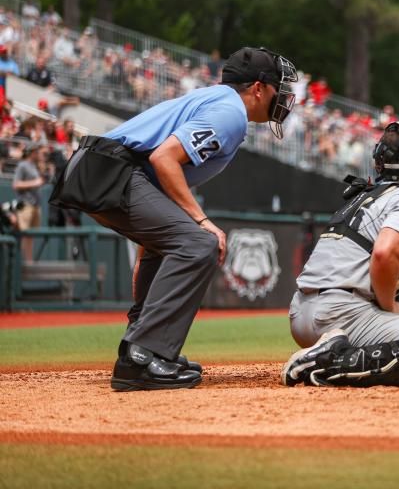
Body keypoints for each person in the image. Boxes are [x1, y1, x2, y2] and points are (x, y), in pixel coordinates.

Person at [50, 46, 299, 391]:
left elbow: (157, 164)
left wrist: (154, 240)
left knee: (170, 246)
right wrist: (201, 220)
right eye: (278, 87)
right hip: (112, 171)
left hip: (101, 169)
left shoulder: (216, 99)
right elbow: (164, 157)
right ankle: (141, 355)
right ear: (258, 88)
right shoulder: (231, 112)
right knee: (201, 243)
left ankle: (146, 347)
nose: (283, 96)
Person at [281, 121, 399, 388]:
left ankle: (334, 350)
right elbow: (384, 254)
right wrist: (389, 310)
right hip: (342, 313)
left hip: (303, 312)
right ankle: (327, 363)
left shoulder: (367, 196)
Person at [12, 142, 47, 263]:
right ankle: (20, 264)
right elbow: (16, 185)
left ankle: (28, 262)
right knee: (24, 235)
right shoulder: (23, 165)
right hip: (25, 205)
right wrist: (35, 183)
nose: (39, 154)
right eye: (37, 151)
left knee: (30, 236)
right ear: (32, 153)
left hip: (35, 205)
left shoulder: (34, 166)